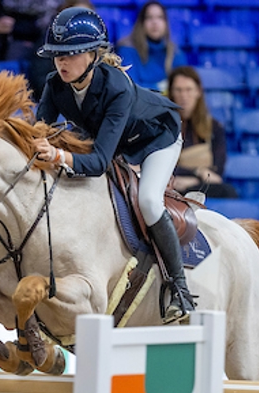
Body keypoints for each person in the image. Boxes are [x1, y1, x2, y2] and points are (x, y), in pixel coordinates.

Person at [31, 7, 194, 324]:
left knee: (148, 200)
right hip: (116, 141)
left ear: (92, 55)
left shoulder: (116, 87)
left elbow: (98, 162)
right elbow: (40, 131)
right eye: (57, 55)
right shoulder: (55, 84)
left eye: (70, 55)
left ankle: (179, 289)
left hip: (157, 138)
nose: (61, 62)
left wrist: (57, 156)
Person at [167, 66, 237, 199]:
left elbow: (217, 171)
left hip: (200, 185)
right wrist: (197, 171)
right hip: (172, 185)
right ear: (171, 92)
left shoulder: (214, 127)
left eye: (189, 90)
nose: (184, 96)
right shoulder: (164, 126)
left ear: (198, 92)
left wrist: (194, 181)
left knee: (227, 191)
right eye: (178, 90)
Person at [116, 1, 186, 92]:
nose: (155, 22)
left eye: (160, 17)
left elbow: (182, 87)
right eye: (149, 18)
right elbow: (130, 88)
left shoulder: (176, 52)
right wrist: (161, 87)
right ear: (141, 23)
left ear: (166, 23)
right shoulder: (127, 50)